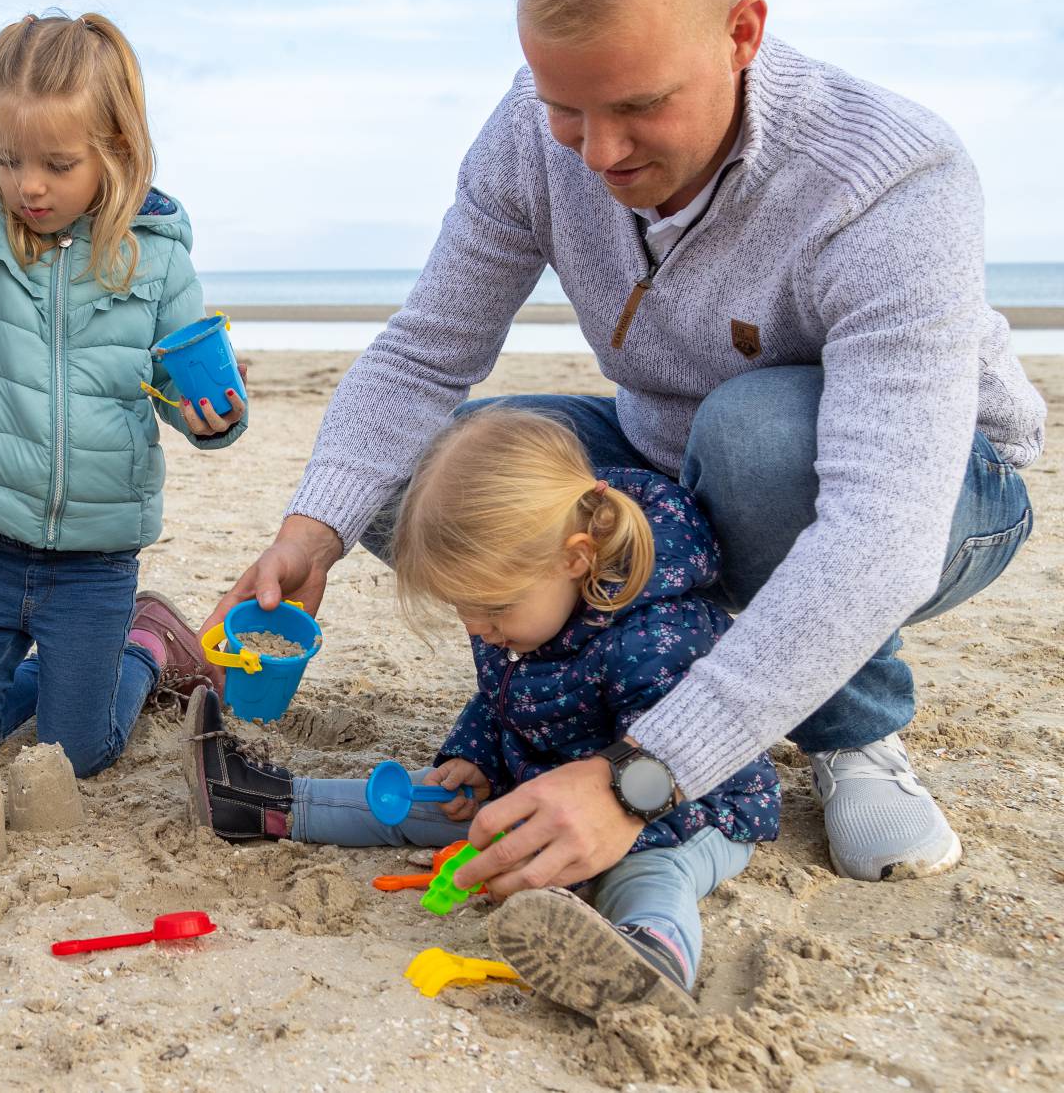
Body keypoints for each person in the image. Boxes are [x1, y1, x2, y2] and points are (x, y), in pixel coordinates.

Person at [209, 0, 1043, 889]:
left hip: (938, 489)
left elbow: (885, 530)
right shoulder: (530, 133)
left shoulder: (890, 179)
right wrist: (314, 528)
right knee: (431, 481)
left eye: (641, 105)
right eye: (567, 107)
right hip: (665, 461)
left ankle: (850, 730)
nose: (600, 153)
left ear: (742, 34)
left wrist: (639, 777)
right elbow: (428, 348)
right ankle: (680, 672)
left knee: (755, 441)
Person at [187, 409, 777, 1018]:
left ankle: (650, 956)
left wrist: (571, 852)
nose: (476, 627)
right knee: (424, 800)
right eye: (463, 609)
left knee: (652, 875)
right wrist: (473, 753)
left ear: (576, 558)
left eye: (490, 609)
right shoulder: (520, 611)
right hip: (544, 779)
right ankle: (264, 802)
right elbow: (505, 694)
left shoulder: (656, 638)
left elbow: (678, 762)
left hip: (687, 810)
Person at [0, 12, 245, 777]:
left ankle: (146, 645)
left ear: (115, 152)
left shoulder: (156, 260)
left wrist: (215, 417)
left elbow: (185, 379)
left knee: (80, 753)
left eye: (58, 164)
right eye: (7, 158)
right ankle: (68, 676)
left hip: (98, 560)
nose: (28, 184)